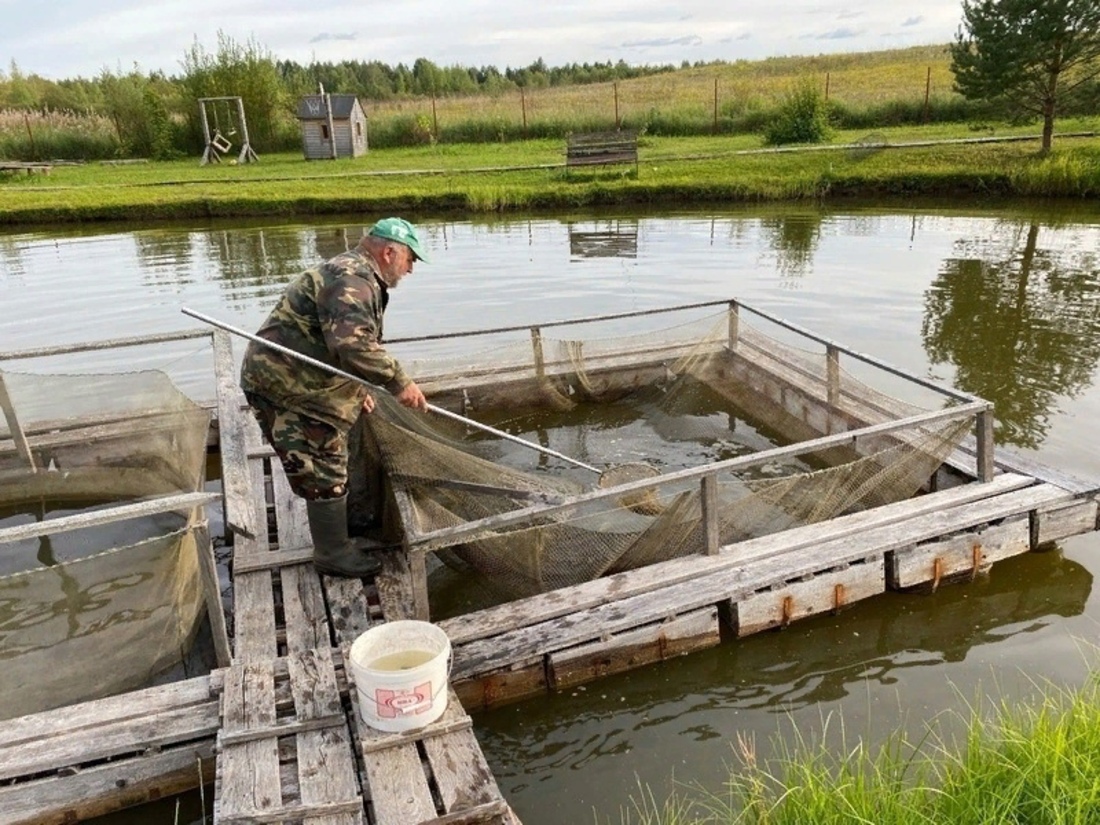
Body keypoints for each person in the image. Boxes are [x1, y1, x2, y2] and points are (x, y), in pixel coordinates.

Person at [240, 217, 429, 578]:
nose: (410, 270)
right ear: (390, 252)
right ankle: (332, 553)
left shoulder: (353, 270)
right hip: (287, 387)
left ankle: (341, 535)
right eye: (410, 260)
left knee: (332, 450)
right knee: (322, 462)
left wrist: (357, 390)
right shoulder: (354, 280)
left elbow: (336, 343)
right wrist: (399, 382)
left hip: (302, 377)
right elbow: (353, 344)